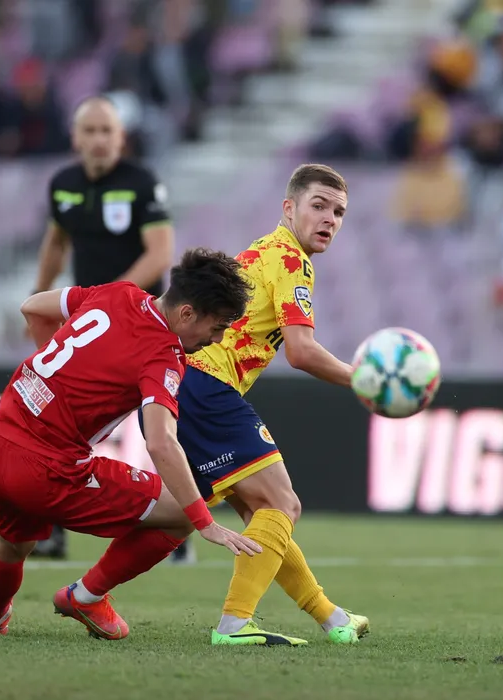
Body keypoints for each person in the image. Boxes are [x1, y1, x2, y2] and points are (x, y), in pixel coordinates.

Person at [0, 249, 261, 639]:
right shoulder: (163, 354)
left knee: (11, 544)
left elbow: (34, 307)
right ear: (186, 314)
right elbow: (161, 443)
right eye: (217, 327)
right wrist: (205, 522)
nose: (217, 339)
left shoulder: (117, 293)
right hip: (49, 470)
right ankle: (85, 596)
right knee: (181, 513)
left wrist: (56, 375)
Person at [160, 164, 367, 646]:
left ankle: (332, 619)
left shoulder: (266, 250)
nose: (329, 219)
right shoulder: (292, 261)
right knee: (282, 503)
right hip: (208, 384)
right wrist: (362, 382)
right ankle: (235, 624)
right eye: (319, 206)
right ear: (289, 208)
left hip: (186, 380)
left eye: (339, 212)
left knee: (262, 513)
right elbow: (301, 351)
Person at [30, 95, 192, 564]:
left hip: (141, 325)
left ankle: (178, 524)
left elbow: (160, 255)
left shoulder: (142, 184)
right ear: (75, 137)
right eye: (91, 131)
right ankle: (51, 530)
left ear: (121, 139)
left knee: (157, 427)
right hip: (88, 325)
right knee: (60, 423)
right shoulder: (63, 185)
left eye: (108, 131)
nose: (99, 140)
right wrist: (40, 292)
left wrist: (112, 300)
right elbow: (56, 242)